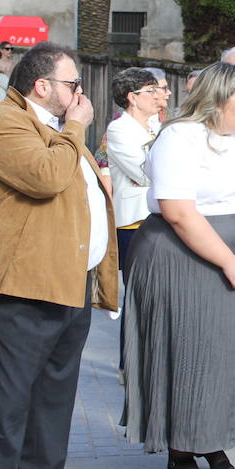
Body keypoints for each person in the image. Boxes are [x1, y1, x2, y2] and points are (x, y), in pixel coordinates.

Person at [0, 42, 118, 469]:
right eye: (73, 84)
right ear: (42, 85)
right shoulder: (3, 122)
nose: (80, 95)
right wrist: (76, 129)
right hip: (15, 289)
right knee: (2, 408)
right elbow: (46, 178)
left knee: (51, 406)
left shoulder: (57, 130)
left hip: (67, 285)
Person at [121, 63, 235, 469]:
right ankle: (181, 451)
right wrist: (229, 261)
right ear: (218, 98)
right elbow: (179, 211)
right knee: (186, 350)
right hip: (181, 256)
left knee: (226, 352)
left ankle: (213, 437)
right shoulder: (178, 137)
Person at [105, 67, 168, 372]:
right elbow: (145, 172)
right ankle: (128, 364)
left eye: (158, 90)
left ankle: (153, 361)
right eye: (150, 91)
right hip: (134, 221)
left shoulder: (159, 126)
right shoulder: (119, 130)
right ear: (132, 98)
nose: (159, 96)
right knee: (137, 295)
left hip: (160, 217)